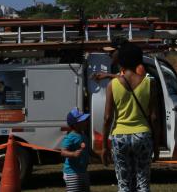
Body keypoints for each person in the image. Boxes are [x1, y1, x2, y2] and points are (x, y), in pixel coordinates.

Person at [102, 41, 159, 192]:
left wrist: (104, 148)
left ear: (121, 60)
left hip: (119, 137)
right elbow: (153, 117)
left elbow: (107, 118)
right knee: (143, 183)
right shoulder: (149, 83)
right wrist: (157, 144)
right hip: (142, 135)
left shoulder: (112, 85)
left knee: (124, 184)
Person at [60, 107, 91, 192]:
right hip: (72, 173)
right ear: (75, 124)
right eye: (83, 120)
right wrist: (73, 154)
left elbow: (88, 150)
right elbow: (63, 152)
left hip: (83, 171)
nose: (86, 122)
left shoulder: (83, 135)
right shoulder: (70, 137)